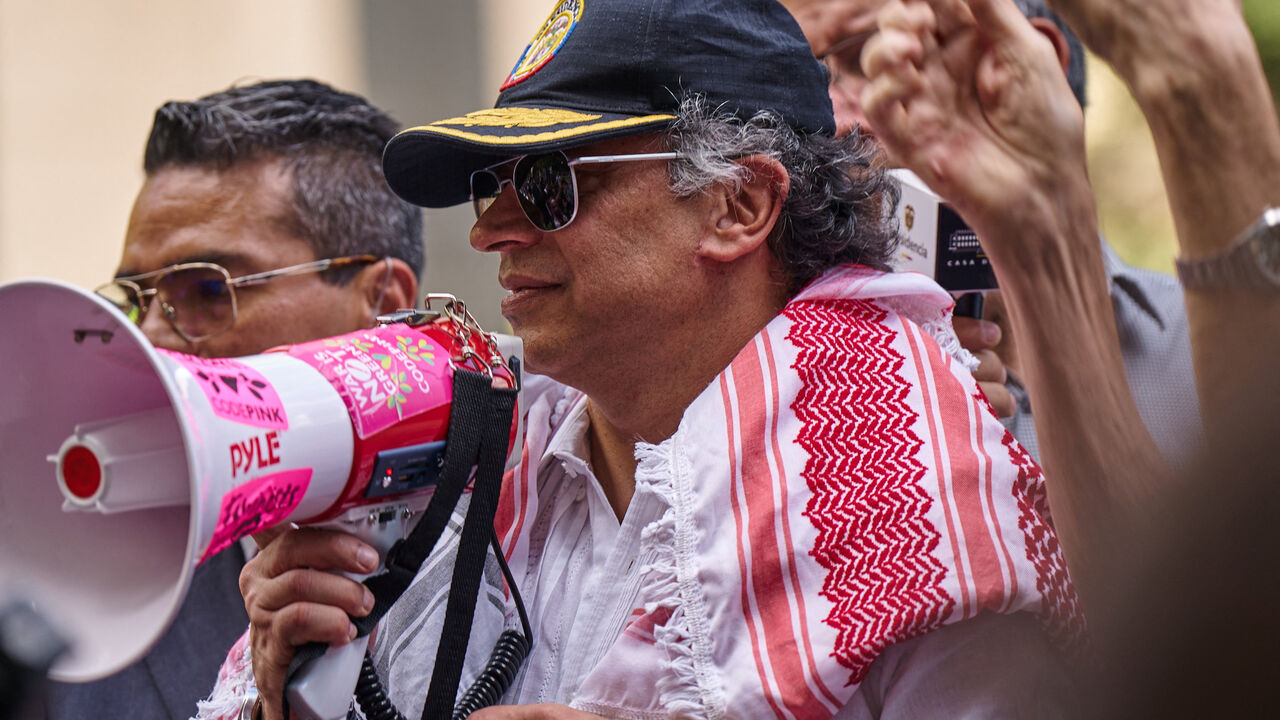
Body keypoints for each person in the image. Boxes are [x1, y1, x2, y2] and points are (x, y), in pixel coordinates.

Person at [214, 2, 1084, 719]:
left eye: (550, 183)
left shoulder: (920, 486)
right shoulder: (468, 454)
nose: (489, 232)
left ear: (738, 204)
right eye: (491, 183)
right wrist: (289, 691)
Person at [41, 79, 422, 720]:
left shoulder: (525, 547)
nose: (153, 339)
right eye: (136, 299)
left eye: (207, 289)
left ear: (381, 303)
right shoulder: (80, 610)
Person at [780, 0, 1201, 468]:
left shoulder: (1222, 354)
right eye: (803, 77)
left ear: (1029, 69)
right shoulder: (781, 400)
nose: (829, 123)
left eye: (866, 59)